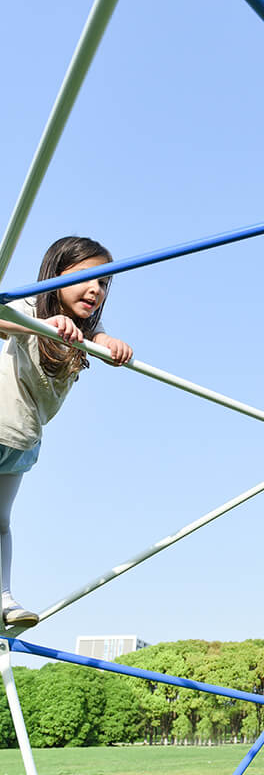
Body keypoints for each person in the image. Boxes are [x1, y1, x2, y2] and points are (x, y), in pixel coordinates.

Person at [0, 236, 132, 627]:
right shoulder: (29, 305)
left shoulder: (86, 330)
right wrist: (40, 324)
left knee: (2, 522)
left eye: (104, 283)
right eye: (86, 277)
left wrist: (107, 342)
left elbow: (100, 336)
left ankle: (4, 598)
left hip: (23, 440)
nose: (95, 289)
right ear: (54, 276)